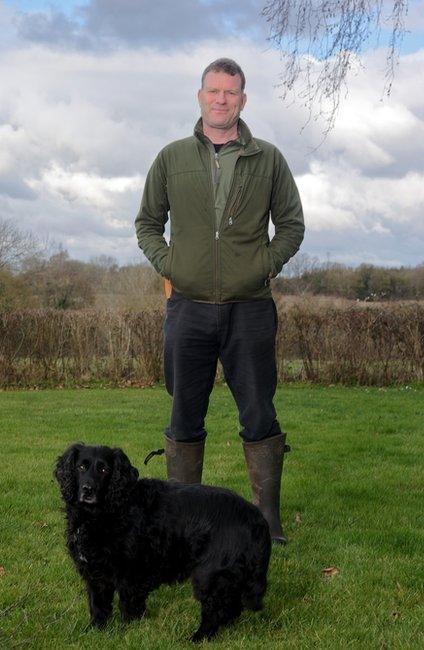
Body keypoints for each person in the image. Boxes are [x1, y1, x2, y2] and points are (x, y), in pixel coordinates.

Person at [134, 58, 305, 543]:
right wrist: (172, 266)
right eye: (214, 91)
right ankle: (179, 525)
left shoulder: (268, 158)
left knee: (258, 412)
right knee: (184, 413)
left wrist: (264, 265)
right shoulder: (171, 158)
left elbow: (291, 225)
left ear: (243, 100)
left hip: (249, 309)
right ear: (200, 96)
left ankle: (266, 523)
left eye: (231, 92)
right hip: (187, 308)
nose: (221, 99)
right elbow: (147, 223)